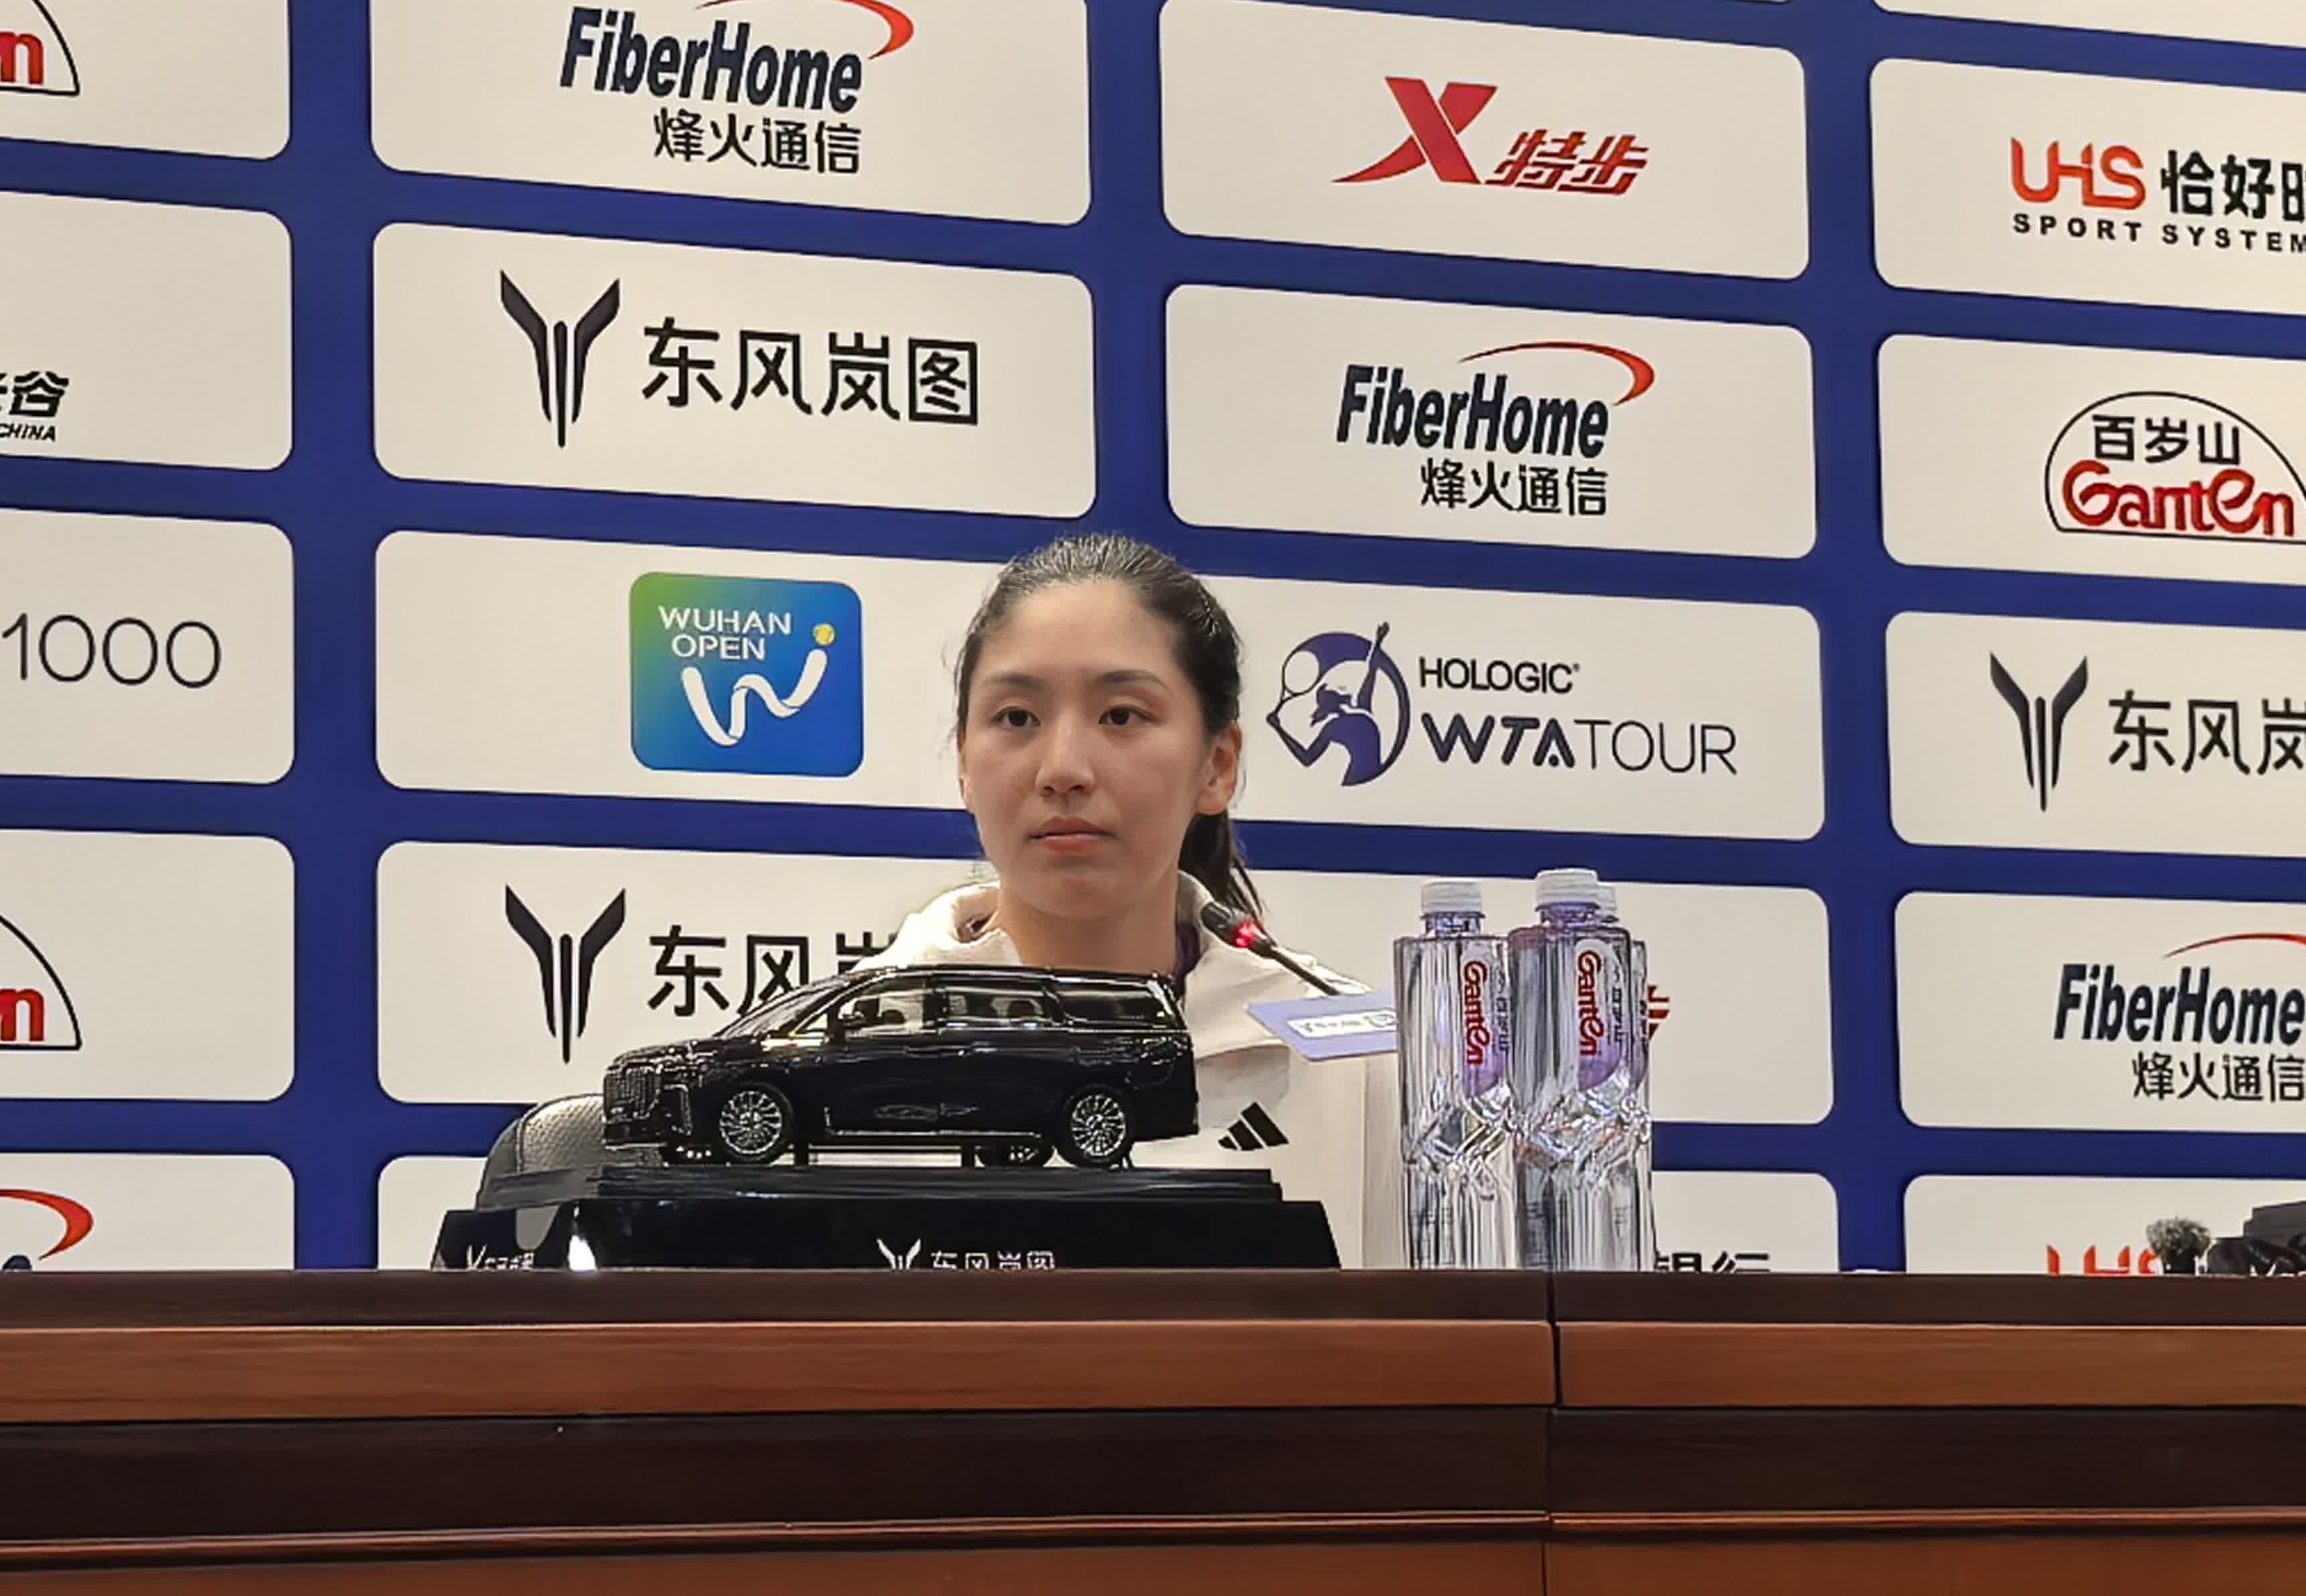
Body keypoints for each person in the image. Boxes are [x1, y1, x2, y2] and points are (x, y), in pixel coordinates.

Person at [860, 533, 1389, 1265]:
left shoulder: (1360, 1068)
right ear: (964, 766)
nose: (1063, 769)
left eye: (1120, 715)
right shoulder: (846, 1041)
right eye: (1016, 718)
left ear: (1217, 765)